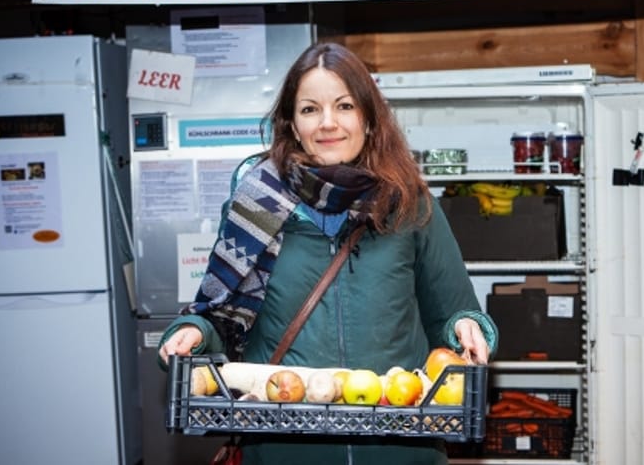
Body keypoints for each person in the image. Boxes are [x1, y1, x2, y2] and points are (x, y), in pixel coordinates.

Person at [158, 41, 498, 465]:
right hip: (285, 449)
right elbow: (221, 320)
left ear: (369, 119)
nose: (328, 123)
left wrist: (467, 327)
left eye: (344, 106)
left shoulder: (409, 204)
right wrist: (192, 333)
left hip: (399, 449)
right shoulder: (255, 206)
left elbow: (454, 312)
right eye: (310, 109)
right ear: (291, 124)